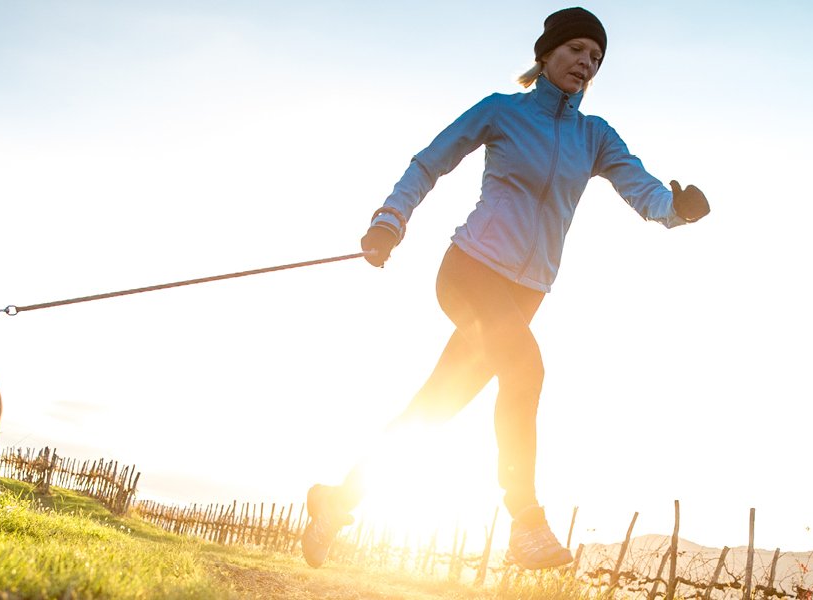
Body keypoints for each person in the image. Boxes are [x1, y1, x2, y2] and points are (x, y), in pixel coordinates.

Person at [301, 6, 711, 571]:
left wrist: (678, 211)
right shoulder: (502, 112)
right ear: (546, 56)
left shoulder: (595, 137)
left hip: (525, 296)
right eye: (576, 51)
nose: (586, 63)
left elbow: (643, 190)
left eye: (596, 58)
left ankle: (335, 501)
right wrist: (389, 222)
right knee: (525, 368)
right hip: (469, 271)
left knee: (432, 409)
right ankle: (526, 520)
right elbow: (428, 163)